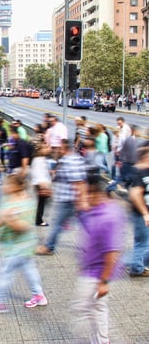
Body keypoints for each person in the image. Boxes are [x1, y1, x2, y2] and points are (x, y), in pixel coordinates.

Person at [0, 173, 47, 314]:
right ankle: (39, 295)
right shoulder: (7, 199)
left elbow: (24, 227)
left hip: (20, 245)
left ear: (18, 187)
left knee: (5, 272)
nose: (4, 187)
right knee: (29, 269)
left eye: (8, 185)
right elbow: (1, 219)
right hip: (15, 245)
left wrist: (10, 219)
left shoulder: (26, 203)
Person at [73, 167, 126, 343]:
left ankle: (100, 340)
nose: (84, 198)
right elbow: (89, 225)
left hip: (96, 274)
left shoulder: (108, 216)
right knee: (98, 308)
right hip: (93, 270)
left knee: (82, 310)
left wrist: (104, 281)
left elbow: (112, 252)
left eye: (86, 194)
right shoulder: (101, 209)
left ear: (95, 193)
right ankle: (102, 340)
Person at [36, 139, 87, 255]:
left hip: (68, 199)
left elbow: (78, 182)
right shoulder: (73, 158)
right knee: (84, 224)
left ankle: (49, 247)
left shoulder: (70, 161)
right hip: (69, 199)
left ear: (64, 149)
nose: (57, 150)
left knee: (58, 224)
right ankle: (96, 245)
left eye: (59, 148)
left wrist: (81, 202)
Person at [126, 146, 149, 277]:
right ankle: (136, 268)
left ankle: (139, 264)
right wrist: (145, 213)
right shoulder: (139, 172)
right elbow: (135, 194)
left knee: (144, 242)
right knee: (142, 242)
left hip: (145, 213)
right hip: (141, 214)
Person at [30, 142, 52, 226]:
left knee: (43, 202)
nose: (48, 149)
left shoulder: (41, 159)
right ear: (40, 150)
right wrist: (42, 185)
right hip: (40, 184)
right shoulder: (38, 160)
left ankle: (39, 218)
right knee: (41, 202)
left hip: (42, 183)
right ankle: (39, 220)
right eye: (45, 148)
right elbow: (37, 173)